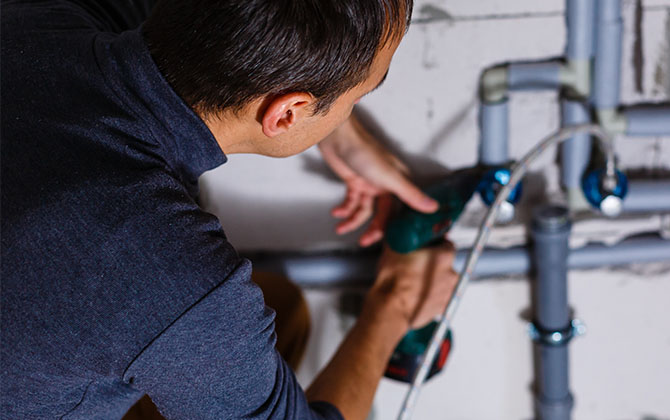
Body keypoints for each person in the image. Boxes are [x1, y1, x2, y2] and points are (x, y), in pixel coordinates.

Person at [0, 0, 459, 419]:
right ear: (287, 113)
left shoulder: (42, 18)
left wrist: (342, 134)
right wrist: (393, 307)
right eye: (358, 97)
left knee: (281, 310)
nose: (351, 110)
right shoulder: (174, 282)